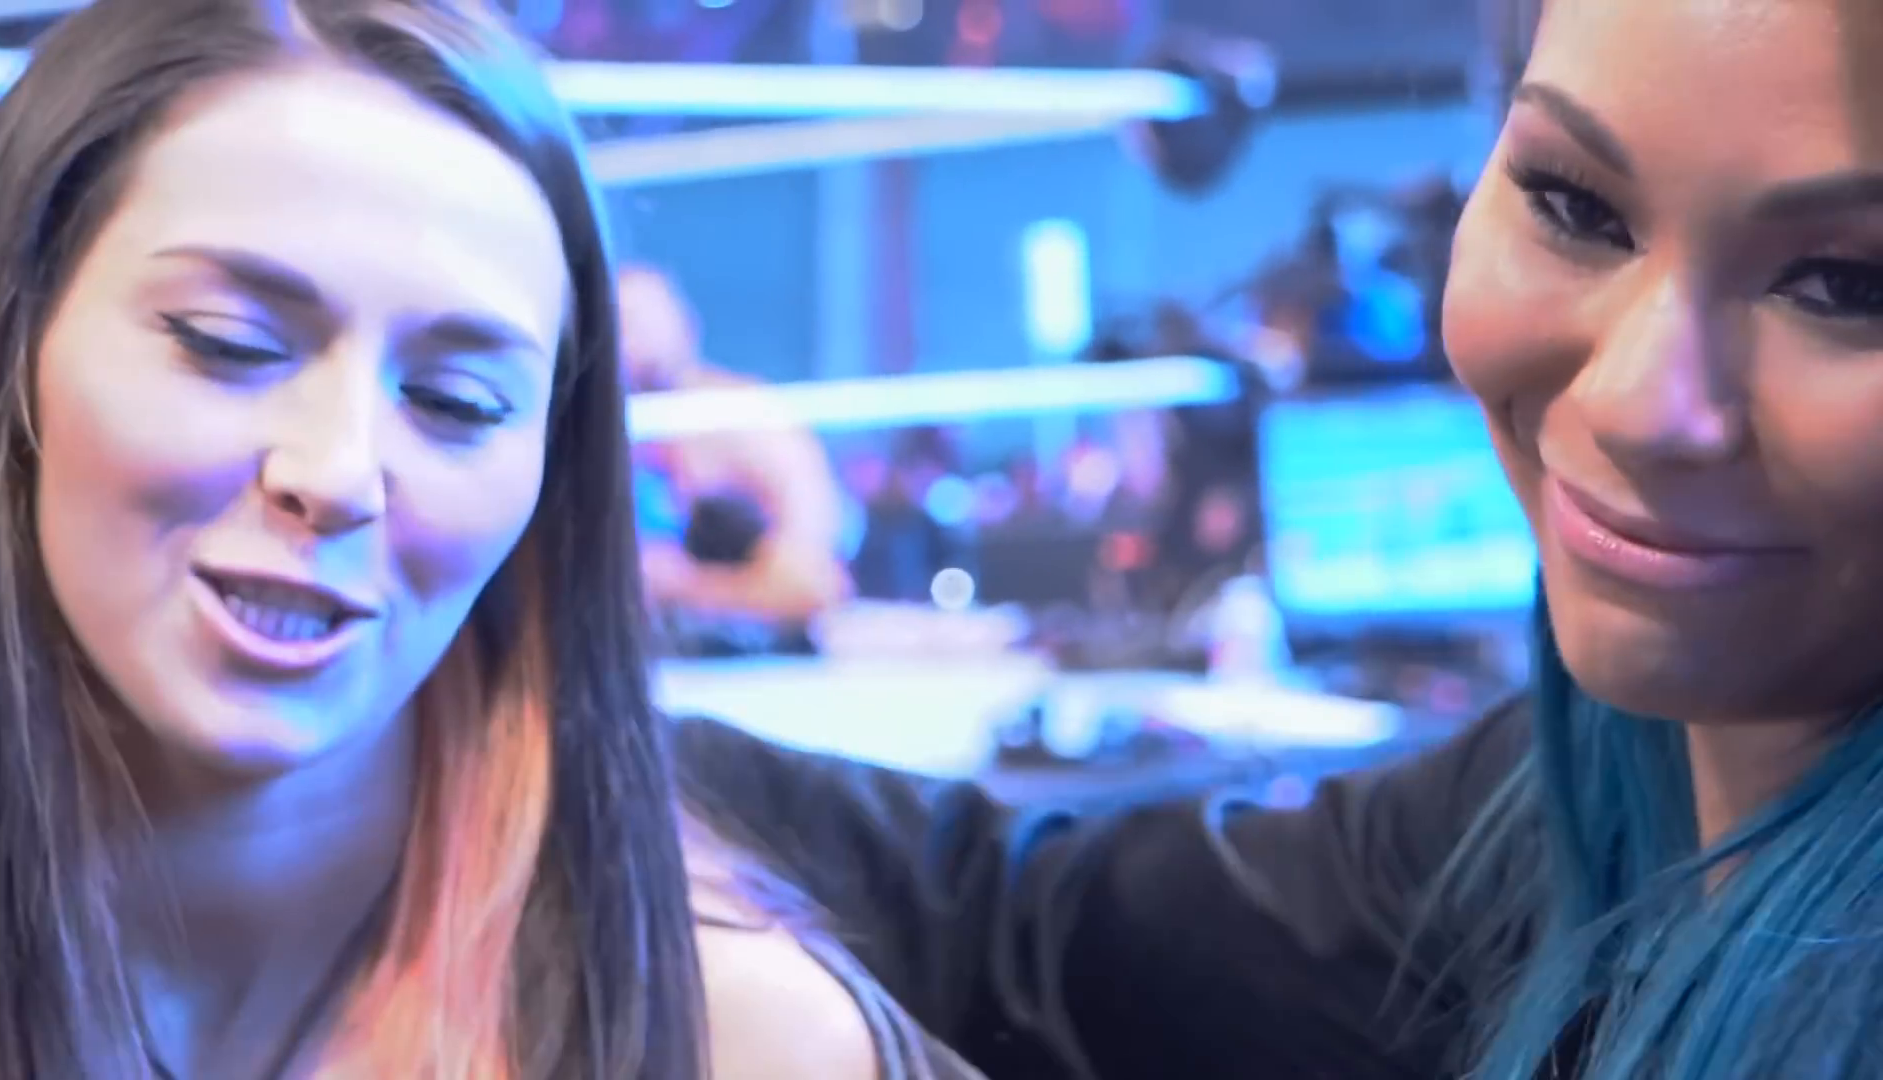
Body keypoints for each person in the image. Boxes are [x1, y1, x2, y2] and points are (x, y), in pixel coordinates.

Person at [671, 1, 1883, 1077]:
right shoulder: (1596, 783)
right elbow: (1039, 925)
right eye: (1576, 206)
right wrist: (584, 732)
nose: (1634, 402)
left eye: (1845, 285)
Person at [0, 1, 968, 1077]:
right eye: (230, 343)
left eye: (458, 402)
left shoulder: (739, 1037)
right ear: (14, 339)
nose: (338, 472)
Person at [618, 263, 852, 624]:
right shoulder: (615, 433)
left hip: (754, 643)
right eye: (620, 325)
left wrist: (681, 584)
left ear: (685, 327)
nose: (631, 342)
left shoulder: (744, 420)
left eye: (638, 322)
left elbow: (814, 583)